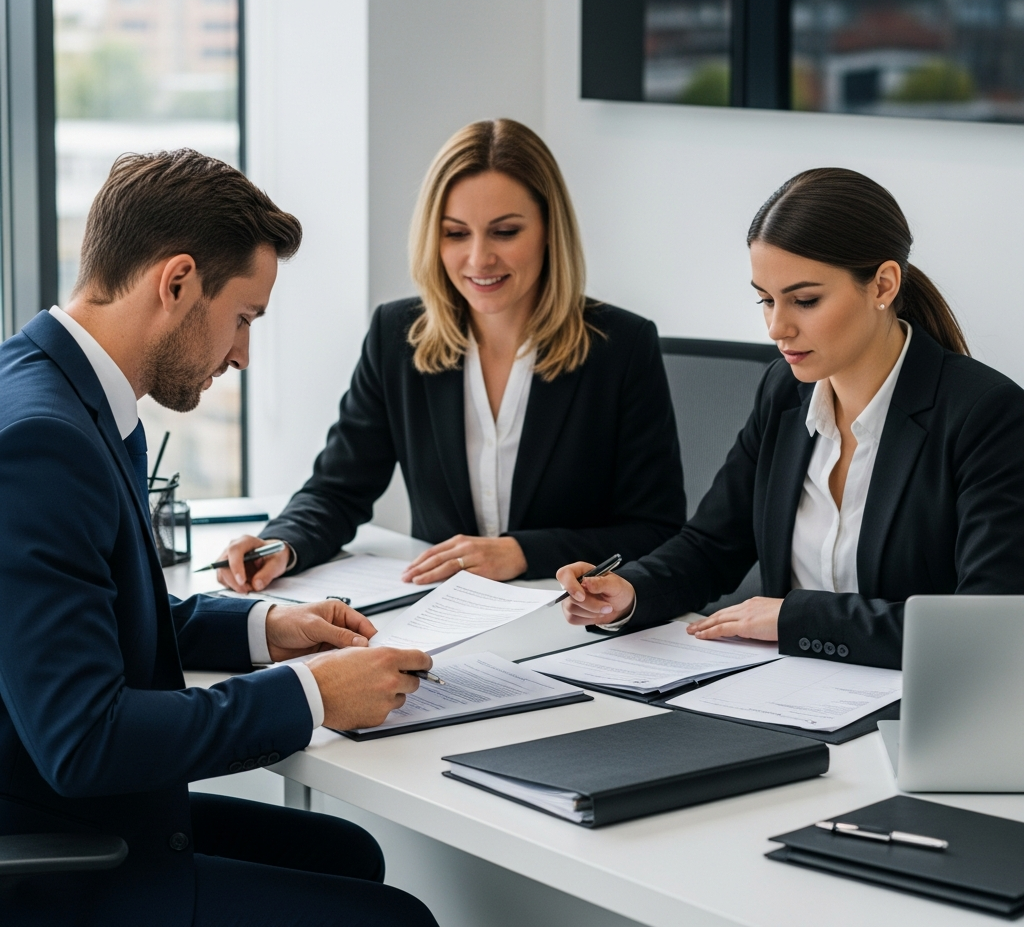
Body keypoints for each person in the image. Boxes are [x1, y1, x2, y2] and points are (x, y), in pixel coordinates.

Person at [0, 150, 438, 927]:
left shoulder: (58, 392)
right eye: (243, 318)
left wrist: (268, 631)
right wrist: (313, 695)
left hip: (77, 817)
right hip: (58, 860)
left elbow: (90, 620)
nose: (241, 353)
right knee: (396, 919)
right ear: (175, 283)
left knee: (348, 857)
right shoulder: (45, 443)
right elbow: (85, 739)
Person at [556, 168, 1024, 670]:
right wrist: (628, 593)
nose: (778, 327)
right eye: (765, 299)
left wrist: (795, 621)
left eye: (805, 300)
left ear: (883, 284)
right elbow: (712, 545)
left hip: (916, 712)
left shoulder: (987, 416)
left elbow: (982, 627)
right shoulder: (784, 392)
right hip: (783, 696)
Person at [217, 119, 684, 594]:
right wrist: (278, 545)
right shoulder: (397, 337)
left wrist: (523, 552)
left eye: (504, 232)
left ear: (549, 230)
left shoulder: (621, 347)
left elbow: (656, 530)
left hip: (570, 615)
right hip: (444, 616)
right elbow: (338, 489)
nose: (479, 259)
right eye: (456, 234)